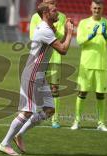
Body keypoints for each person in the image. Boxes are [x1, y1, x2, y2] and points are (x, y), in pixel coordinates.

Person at [0, 2, 74, 156]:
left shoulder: (47, 28)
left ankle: (20, 134)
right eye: (54, 10)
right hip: (32, 74)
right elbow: (63, 50)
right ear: (46, 13)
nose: (57, 12)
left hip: (40, 75)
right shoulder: (45, 30)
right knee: (27, 111)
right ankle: (4, 143)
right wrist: (70, 32)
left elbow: (58, 42)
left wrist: (63, 32)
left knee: (50, 110)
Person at [70, 0, 107, 131]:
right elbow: (79, 41)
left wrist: (106, 35)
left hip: (101, 64)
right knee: (82, 92)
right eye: (95, 8)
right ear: (91, 8)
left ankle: (101, 123)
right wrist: (91, 36)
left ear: (103, 9)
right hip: (86, 64)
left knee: (100, 94)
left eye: (99, 8)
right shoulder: (84, 23)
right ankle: (76, 121)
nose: (97, 10)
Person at [30, 0, 66, 128]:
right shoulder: (36, 16)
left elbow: (59, 36)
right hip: (40, 59)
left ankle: (55, 120)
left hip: (54, 56)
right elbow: (33, 36)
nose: (52, 4)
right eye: (48, 2)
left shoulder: (60, 16)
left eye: (53, 2)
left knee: (55, 90)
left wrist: (59, 32)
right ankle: (16, 134)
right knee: (28, 109)